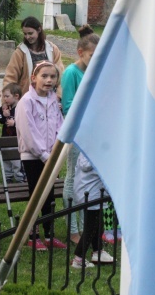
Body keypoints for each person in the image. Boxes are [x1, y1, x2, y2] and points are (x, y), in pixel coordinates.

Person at [15, 61, 67, 251]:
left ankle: (49, 233)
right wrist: (44, 155)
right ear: (34, 78)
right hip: (33, 157)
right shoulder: (27, 101)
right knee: (36, 195)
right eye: (44, 76)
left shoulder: (54, 100)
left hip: (50, 157)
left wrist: (56, 151)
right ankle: (32, 234)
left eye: (52, 77)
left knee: (49, 196)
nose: (48, 80)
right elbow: (29, 132)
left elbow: (59, 126)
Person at [61, 25, 100, 245]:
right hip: (77, 134)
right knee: (72, 179)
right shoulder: (71, 73)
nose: (96, 60)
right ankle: (73, 229)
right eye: (92, 56)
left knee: (89, 183)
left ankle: (87, 228)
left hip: (94, 135)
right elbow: (68, 107)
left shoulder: (94, 72)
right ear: (80, 53)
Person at [71, 153, 115, 269]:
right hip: (91, 193)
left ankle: (98, 251)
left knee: (98, 224)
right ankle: (78, 258)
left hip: (89, 192)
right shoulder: (96, 154)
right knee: (91, 227)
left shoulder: (86, 150)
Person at [3, 16, 64, 97]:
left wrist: (58, 96)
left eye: (30, 33)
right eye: (25, 34)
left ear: (39, 30)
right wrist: (7, 99)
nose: (27, 37)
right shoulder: (20, 52)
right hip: (27, 99)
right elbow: (10, 78)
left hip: (50, 98)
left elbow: (61, 75)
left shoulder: (53, 49)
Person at [0, 83, 26, 183]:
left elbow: (27, 123)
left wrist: (15, 123)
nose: (4, 99)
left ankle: (20, 176)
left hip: (17, 140)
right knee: (6, 158)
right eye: (4, 96)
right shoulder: (5, 108)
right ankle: (7, 176)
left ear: (16, 96)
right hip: (6, 139)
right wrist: (4, 116)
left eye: (7, 96)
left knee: (17, 160)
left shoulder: (22, 108)